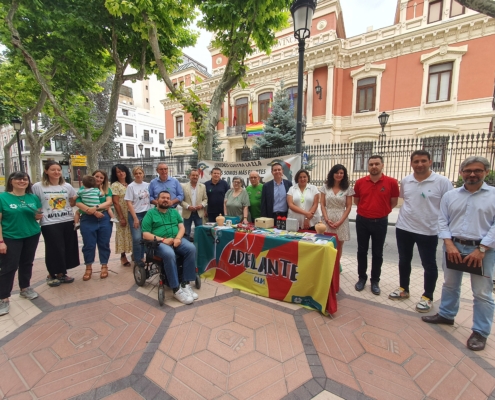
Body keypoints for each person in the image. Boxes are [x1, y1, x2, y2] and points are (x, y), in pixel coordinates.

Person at [422, 156, 495, 351]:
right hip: (453, 247)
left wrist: (482, 249)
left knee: (482, 293)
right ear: (461, 172)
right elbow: (442, 220)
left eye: (477, 170)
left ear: (486, 172)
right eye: (468, 170)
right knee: (450, 284)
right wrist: (449, 243)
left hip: (483, 251)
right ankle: (446, 314)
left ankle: (480, 331)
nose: (472, 174)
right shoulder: (450, 196)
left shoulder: (493, 195)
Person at [389, 150, 453, 312]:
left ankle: (427, 296)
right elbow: (407, 200)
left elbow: (449, 206)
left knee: (429, 264)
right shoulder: (406, 181)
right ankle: (404, 289)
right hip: (404, 227)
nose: (419, 164)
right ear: (411, 163)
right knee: (404, 260)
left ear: (430, 162)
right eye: (416, 161)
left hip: (429, 230)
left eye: (423, 161)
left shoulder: (442, 181)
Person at [141, 191, 199, 305]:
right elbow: (145, 234)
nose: (166, 200)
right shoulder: (150, 214)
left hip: (175, 240)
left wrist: (177, 238)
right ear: (157, 200)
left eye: (168, 198)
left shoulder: (174, 211)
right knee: (169, 254)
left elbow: (181, 227)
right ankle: (176, 288)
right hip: (159, 242)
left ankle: (185, 284)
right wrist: (163, 240)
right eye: (163, 197)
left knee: (191, 248)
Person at [353, 155, 399, 295]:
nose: (374, 166)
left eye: (377, 164)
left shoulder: (391, 182)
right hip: (362, 221)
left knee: (377, 253)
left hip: (380, 222)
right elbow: (357, 201)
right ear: (368, 166)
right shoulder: (360, 182)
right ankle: (362, 278)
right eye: (371, 164)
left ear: (382, 165)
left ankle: (375, 281)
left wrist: (381, 211)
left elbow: (394, 202)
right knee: (362, 251)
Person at [0, 172, 43, 316]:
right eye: (18, 179)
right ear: (11, 181)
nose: (22, 181)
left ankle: (25, 288)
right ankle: (4, 297)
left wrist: (38, 216)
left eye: (25, 179)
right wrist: (1, 241)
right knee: (9, 266)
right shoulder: (3, 197)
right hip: (11, 236)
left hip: (31, 234)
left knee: (27, 263)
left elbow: (37, 215)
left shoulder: (33, 198)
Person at [32, 160, 79, 287]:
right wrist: (36, 214)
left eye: (58, 170)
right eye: (53, 170)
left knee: (67, 247)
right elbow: (34, 203)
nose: (56, 172)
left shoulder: (67, 186)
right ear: (46, 171)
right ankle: (52, 274)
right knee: (54, 249)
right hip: (49, 223)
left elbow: (72, 202)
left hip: (67, 221)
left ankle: (62, 273)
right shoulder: (38, 186)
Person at [76, 170, 113, 281]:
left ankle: (104, 266)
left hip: (104, 219)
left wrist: (95, 208)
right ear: (92, 177)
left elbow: (108, 202)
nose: (99, 179)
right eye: (97, 176)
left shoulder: (106, 190)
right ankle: (88, 268)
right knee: (88, 245)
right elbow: (78, 202)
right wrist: (91, 211)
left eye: (101, 177)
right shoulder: (83, 189)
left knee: (104, 244)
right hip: (88, 219)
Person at [319, 164, 354, 253]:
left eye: (341, 173)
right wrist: (326, 219)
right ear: (332, 174)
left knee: (338, 246)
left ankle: (336, 265)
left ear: (344, 175)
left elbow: (349, 206)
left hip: (341, 219)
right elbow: (322, 204)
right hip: (327, 218)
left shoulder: (347, 189)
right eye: (337, 172)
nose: (339, 175)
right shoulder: (325, 187)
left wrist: (340, 221)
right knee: (325, 244)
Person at [125, 166, 151, 267]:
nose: (138, 175)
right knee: (137, 238)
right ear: (133, 175)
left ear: (143, 174)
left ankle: (144, 256)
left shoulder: (147, 185)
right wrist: (135, 218)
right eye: (136, 173)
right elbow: (129, 203)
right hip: (136, 214)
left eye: (140, 173)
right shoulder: (131, 186)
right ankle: (138, 259)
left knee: (146, 237)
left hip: (147, 213)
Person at [110, 164, 133, 266]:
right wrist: (121, 217)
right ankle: (123, 256)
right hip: (122, 213)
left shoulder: (130, 184)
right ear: (115, 174)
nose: (121, 173)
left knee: (133, 234)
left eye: (123, 171)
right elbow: (115, 202)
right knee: (122, 234)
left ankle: (134, 254)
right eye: (118, 172)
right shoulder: (115, 185)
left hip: (132, 213)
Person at [181, 169, 207, 241]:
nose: (195, 177)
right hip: (187, 212)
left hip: (198, 213)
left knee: (199, 232)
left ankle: (199, 248)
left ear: (198, 176)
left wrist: (202, 205)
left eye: (196, 175)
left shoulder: (203, 186)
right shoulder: (183, 186)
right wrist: (188, 206)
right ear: (189, 176)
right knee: (186, 232)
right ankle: (187, 249)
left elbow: (205, 199)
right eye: (193, 175)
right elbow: (180, 201)